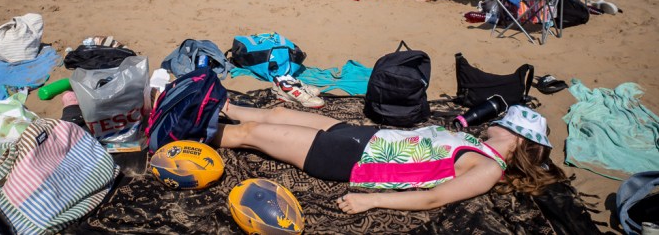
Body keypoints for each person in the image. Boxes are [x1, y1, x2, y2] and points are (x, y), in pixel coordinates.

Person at [214, 102, 566, 214]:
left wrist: (371, 201)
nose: (495, 123)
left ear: (517, 141)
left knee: (251, 136)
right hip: (366, 136)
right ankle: (220, 105)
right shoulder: (480, 145)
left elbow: (435, 197)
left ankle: (179, 128)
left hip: (351, 158)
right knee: (273, 114)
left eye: (504, 124)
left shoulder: (489, 168)